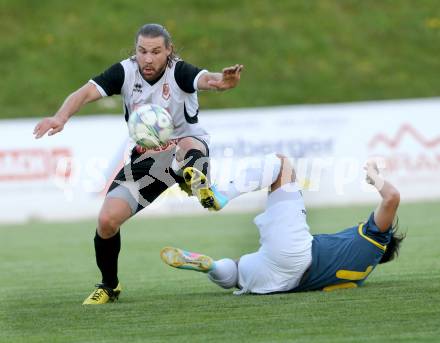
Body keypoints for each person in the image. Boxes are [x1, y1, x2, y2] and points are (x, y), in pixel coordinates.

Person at [33, 23, 243, 304]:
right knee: (107, 221)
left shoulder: (179, 72)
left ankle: (197, 182)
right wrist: (60, 117)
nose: (148, 58)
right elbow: (84, 93)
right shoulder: (125, 71)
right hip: (146, 159)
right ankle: (109, 286)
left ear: (169, 52)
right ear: (136, 51)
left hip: (184, 148)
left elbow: (208, 80)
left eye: (156, 51)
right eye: (142, 51)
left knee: (188, 146)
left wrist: (223, 81)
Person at [161, 156, 405, 294]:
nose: (364, 221)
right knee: (235, 272)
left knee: (281, 166)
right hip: (287, 282)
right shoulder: (362, 274)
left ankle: (220, 195)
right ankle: (211, 266)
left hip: (296, 252)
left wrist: (373, 174)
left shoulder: (376, 240)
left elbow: (391, 197)